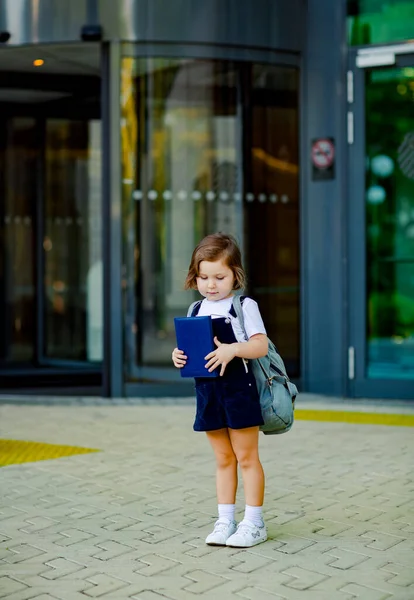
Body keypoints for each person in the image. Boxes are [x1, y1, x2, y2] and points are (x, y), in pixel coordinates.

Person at [172, 232, 268, 548]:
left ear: (234, 275)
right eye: (204, 277)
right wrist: (178, 356)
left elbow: (260, 346)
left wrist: (232, 350)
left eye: (219, 276)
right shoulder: (195, 309)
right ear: (194, 276)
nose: (211, 284)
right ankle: (226, 520)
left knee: (246, 457)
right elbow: (190, 351)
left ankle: (254, 524)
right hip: (207, 392)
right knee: (223, 459)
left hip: (239, 388)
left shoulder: (243, 305)